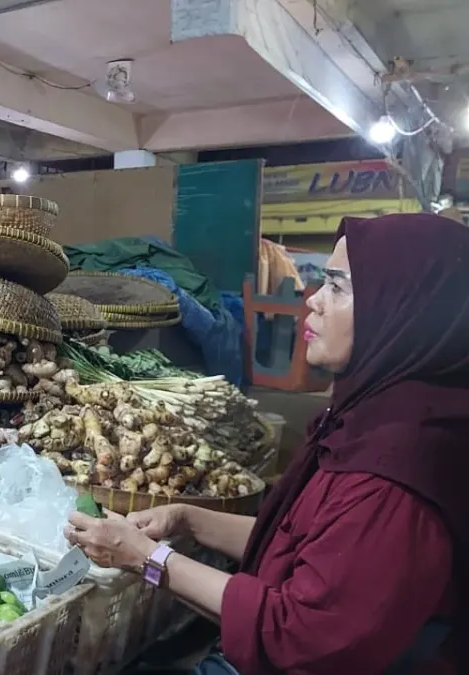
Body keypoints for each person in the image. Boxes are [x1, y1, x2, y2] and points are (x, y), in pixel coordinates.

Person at [65, 212, 468, 675]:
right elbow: (299, 541)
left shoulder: (396, 474)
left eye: (337, 287)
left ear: (402, 311)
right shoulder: (370, 419)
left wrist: (148, 559)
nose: (312, 301)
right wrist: (187, 519)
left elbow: (298, 634)